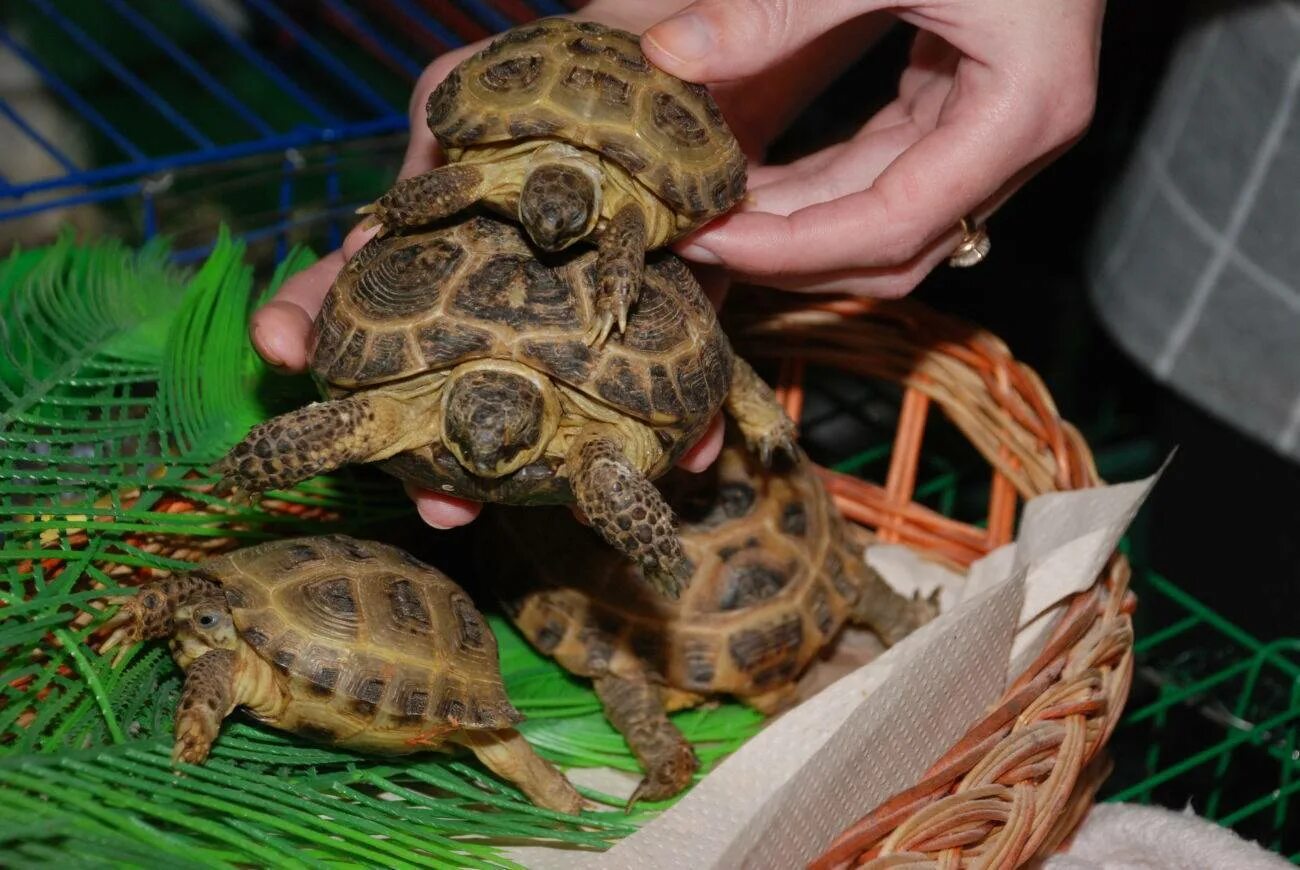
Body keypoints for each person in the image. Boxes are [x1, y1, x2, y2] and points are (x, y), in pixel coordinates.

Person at [249, 0, 1105, 531]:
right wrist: (395, 213)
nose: (553, 236)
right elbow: (451, 185)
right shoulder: (479, 172)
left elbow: (626, 223)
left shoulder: (623, 224)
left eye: (572, 222)